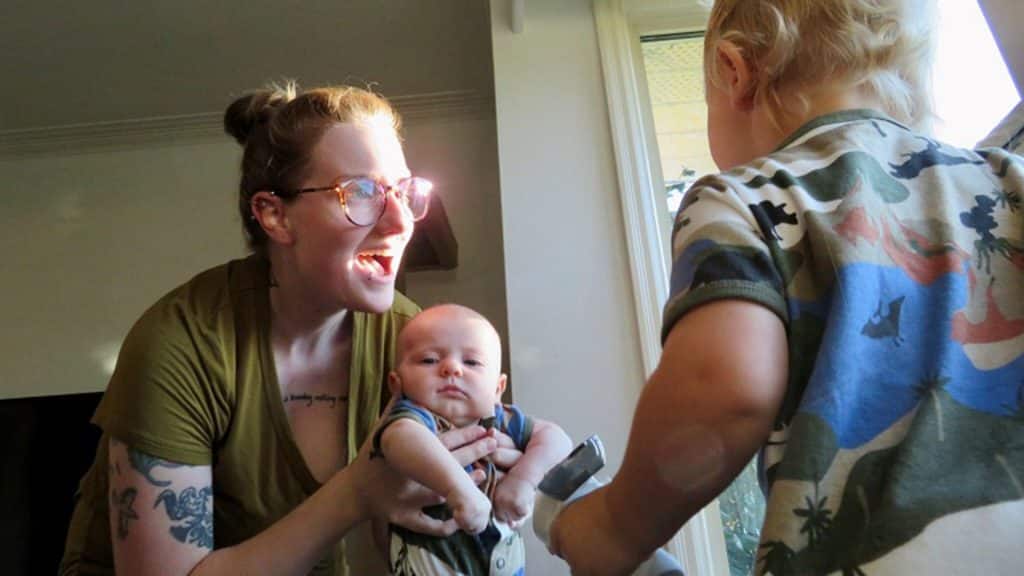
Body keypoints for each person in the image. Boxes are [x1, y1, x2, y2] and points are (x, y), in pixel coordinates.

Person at [551, 1, 1024, 575]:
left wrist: (614, 527)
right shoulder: (1004, 175)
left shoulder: (747, 198)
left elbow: (726, 385)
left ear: (735, 72)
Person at [60, 83, 519, 576]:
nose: (400, 220)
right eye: (361, 192)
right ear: (275, 215)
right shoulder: (184, 342)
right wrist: (357, 493)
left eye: (404, 191)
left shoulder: (412, 342)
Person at [372, 304, 572, 575]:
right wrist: (459, 490)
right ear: (397, 384)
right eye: (429, 360)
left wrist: (524, 478)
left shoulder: (502, 420)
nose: (452, 368)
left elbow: (557, 439)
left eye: (472, 362)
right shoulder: (415, 418)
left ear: (498, 388)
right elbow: (398, 441)